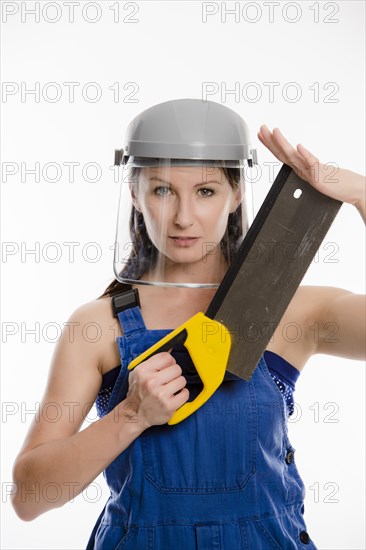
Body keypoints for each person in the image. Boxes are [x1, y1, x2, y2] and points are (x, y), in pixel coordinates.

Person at [11, 99, 365, 549]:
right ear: (135, 193)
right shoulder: (98, 326)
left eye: (205, 191)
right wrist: (131, 415)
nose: (182, 217)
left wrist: (361, 194)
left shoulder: (292, 311)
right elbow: (29, 497)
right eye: (161, 190)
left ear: (236, 194)